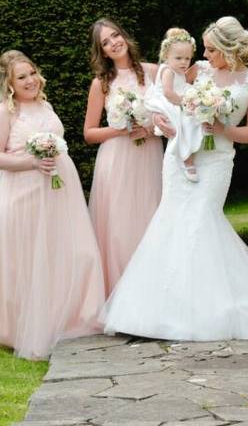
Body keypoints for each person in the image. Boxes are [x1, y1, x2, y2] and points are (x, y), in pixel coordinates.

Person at [100, 16, 248, 342]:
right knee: (171, 221)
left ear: (229, 49)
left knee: (202, 221)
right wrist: (162, 120)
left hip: (216, 160)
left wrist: (221, 128)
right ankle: (164, 310)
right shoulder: (198, 70)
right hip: (180, 155)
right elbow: (165, 88)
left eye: (211, 49)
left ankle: (209, 310)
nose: (205, 54)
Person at [0, 50, 105, 360]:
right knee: (28, 258)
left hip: (59, 190)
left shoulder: (46, 106)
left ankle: (67, 318)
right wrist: (32, 162)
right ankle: (24, 329)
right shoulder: (3, 112)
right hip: (22, 193)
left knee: (72, 252)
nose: (30, 80)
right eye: (21, 77)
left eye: (32, 73)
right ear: (9, 84)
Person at [83, 19, 163, 294]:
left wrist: (150, 128)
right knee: (119, 227)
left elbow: (173, 116)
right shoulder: (102, 83)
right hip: (117, 159)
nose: (113, 43)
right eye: (105, 42)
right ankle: (120, 294)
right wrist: (119, 129)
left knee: (151, 219)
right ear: (102, 52)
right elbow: (89, 133)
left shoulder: (153, 71)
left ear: (125, 37)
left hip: (149, 155)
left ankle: (152, 292)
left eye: (115, 35)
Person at [144, 27, 202, 182]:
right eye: (178, 58)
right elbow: (168, 92)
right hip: (168, 102)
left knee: (192, 121)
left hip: (176, 100)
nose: (184, 62)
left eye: (187, 58)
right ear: (166, 56)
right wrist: (184, 103)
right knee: (185, 123)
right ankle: (187, 159)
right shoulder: (168, 71)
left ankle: (191, 153)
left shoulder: (180, 72)